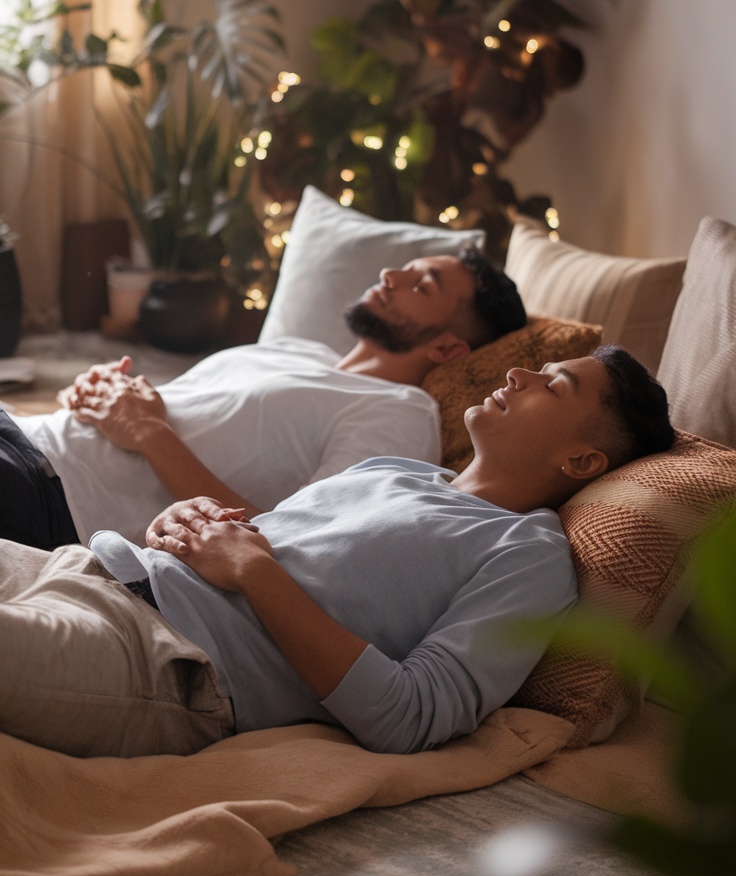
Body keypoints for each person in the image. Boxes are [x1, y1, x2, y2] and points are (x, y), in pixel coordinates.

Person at [0, 346, 675, 760]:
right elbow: (264, 542)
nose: (520, 372)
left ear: (582, 458)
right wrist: (186, 523)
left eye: (553, 386)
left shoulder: (528, 555)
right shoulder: (401, 472)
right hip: (94, 568)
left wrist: (256, 571)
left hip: (166, 663)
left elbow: (413, 717)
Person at [1, 247, 526, 549]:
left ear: (448, 346)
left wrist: (149, 432)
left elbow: (299, 544)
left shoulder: (399, 411)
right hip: (28, 434)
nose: (392, 274)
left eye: (423, 284)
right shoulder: (302, 350)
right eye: (407, 266)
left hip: (59, 501)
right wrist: (98, 395)